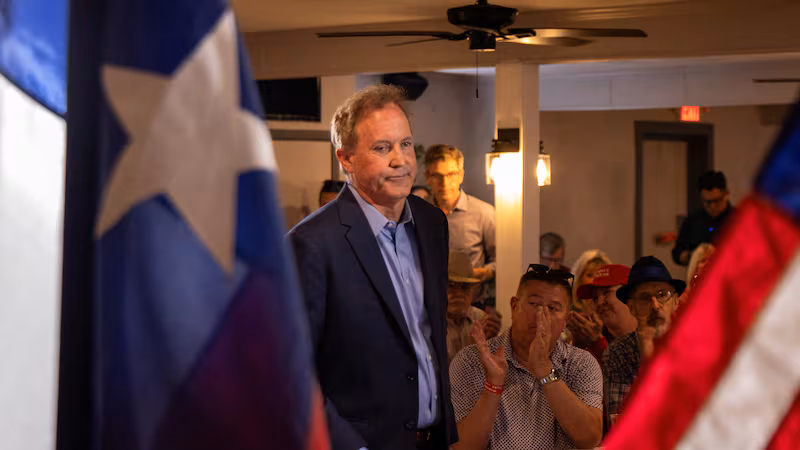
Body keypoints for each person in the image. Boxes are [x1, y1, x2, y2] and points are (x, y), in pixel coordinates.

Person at [288, 84, 456, 450]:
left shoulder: (431, 224)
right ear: (345, 159)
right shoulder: (312, 243)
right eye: (383, 148)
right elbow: (293, 372)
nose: (401, 160)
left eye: (406, 144)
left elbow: (427, 334)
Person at [449, 264, 603, 450]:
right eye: (534, 304)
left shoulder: (581, 363)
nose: (541, 315)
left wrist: (545, 371)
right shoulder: (471, 360)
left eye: (553, 308)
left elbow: (589, 438)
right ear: (514, 306)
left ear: (566, 321)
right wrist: (493, 385)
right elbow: (462, 447)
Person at [603, 256, 685, 427]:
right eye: (645, 298)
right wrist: (647, 355)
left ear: (676, 301)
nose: (655, 305)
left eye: (662, 295)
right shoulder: (619, 352)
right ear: (631, 307)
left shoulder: (695, 345)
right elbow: (621, 424)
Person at [424, 145, 496, 305]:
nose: (444, 183)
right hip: (428, 304)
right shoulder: (417, 213)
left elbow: (502, 258)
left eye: (451, 175)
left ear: (461, 175)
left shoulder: (483, 213)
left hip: (471, 303)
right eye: (437, 175)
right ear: (427, 177)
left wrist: (485, 272)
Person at [569, 264, 637, 366]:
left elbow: (625, 377)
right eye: (595, 297)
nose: (599, 302)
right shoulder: (591, 337)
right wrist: (578, 345)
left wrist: (597, 342)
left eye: (606, 293)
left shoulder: (652, 338)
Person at [446, 251, 501, 365]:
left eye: (465, 287)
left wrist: (490, 343)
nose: (459, 293)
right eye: (451, 286)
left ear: (473, 291)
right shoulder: (430, 324)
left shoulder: (481, 320)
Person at [672, 170, 734, 266]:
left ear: (726, 194)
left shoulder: (739, 220)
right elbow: (677, 253)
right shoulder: (693, 221)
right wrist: (693, 255)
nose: (712, 207)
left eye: (717, 201)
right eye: (707, 202)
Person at [569, 249, 612, 314]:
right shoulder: (571, 304)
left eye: (599, 275)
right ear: (581, 277)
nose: (594, 280)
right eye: (590, 275)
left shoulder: (611, 304)